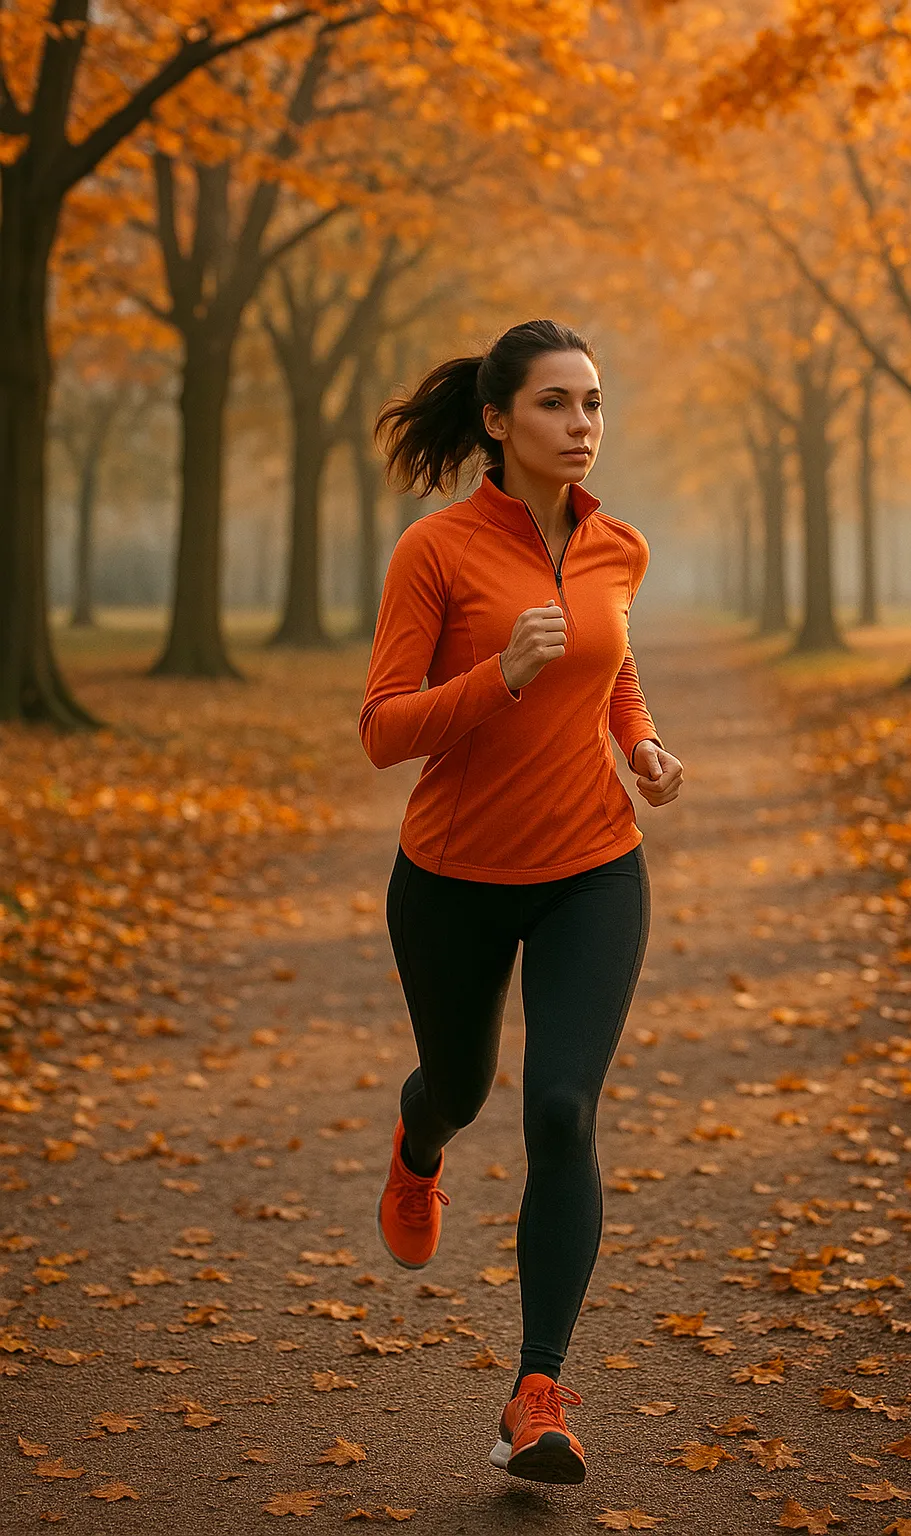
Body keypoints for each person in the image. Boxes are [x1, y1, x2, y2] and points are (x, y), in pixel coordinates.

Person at [358, 318, 683, 1485]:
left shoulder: (618, 548)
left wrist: (639, 745)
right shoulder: (434, 553)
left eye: (593, 404)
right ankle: (419, 1140)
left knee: (560, 1111)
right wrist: (494, 680)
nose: (582, 427)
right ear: (497, 422)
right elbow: (383, 728)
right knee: (462, 1084)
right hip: (450, 878)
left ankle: (537, 1394)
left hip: (593, 869)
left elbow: (615, 665)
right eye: (555, 405)